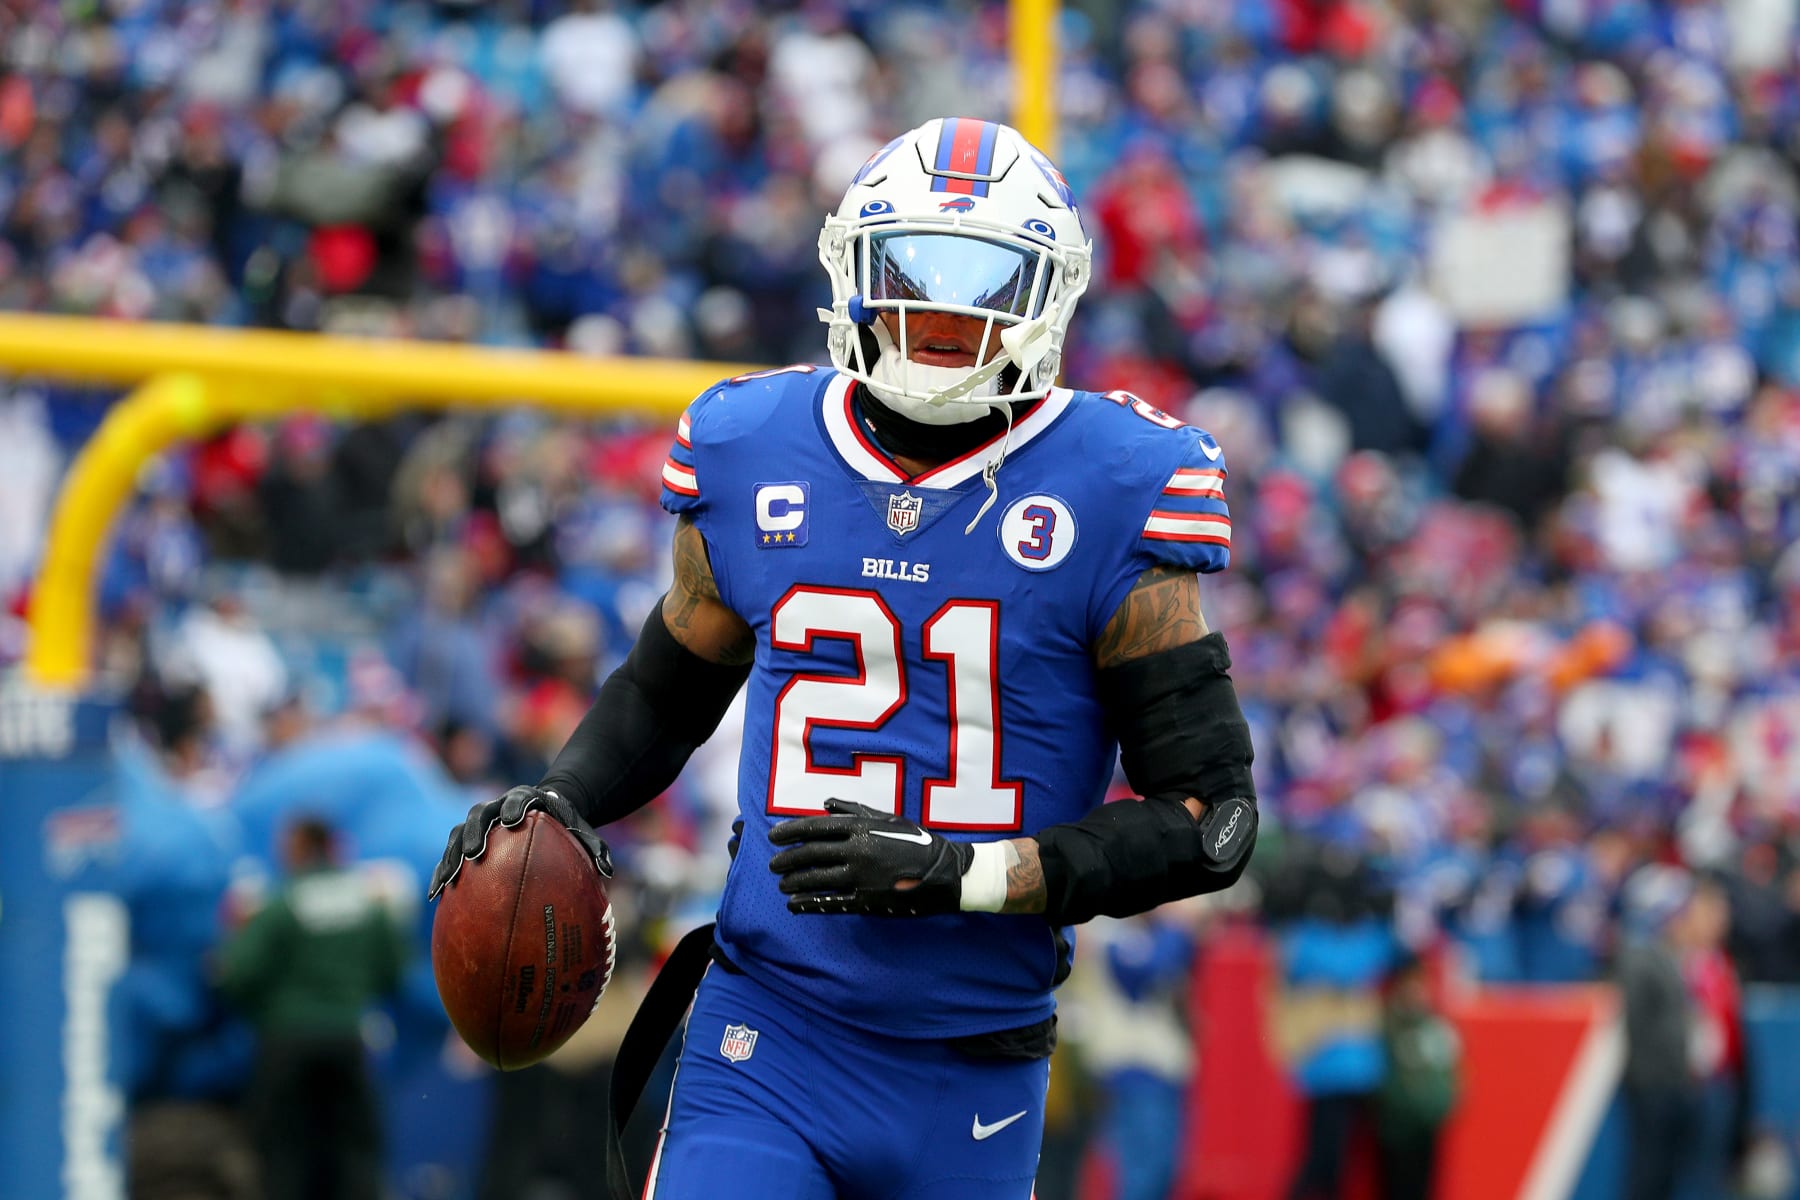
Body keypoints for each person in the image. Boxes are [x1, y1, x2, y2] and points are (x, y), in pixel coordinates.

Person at [430, 116, 1259, 1200]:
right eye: (915, 270)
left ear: (1046, 297)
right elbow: (668, 685)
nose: (947, 312)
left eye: (986, 282)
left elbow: (1214, 824)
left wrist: (962, 871)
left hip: (974, 1061)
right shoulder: (752, 443)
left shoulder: (1115, 481)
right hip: (770, 1033)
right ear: (853, 272)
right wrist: (562, 795)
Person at [219, 816, 406, 1200]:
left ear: (302, 847)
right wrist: (351, 996)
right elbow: (395, 968)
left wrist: (265, 1011)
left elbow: (238, 973)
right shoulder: (367, 902)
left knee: (284, 1153)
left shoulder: (281, 901)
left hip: (286, 1040)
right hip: (348, 1038)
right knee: (355, 1152)